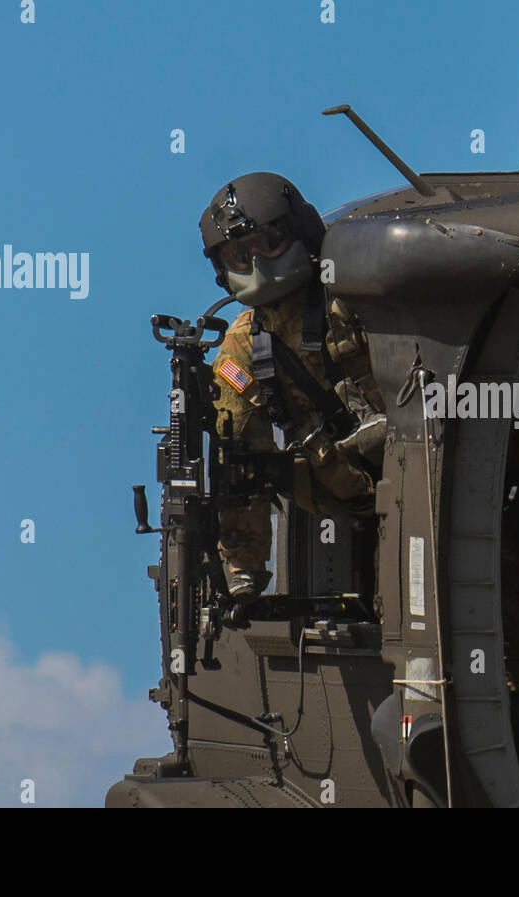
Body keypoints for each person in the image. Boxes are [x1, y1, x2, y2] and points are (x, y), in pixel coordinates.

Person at [199, 172, 385, 601]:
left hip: (431, 470)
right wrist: (244, 567)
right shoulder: (241, 349)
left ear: (299, 230)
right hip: (357, 501)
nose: (257, 262)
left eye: (268, 242)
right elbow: (242, 457)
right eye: (238, 256)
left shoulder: (358, 292)